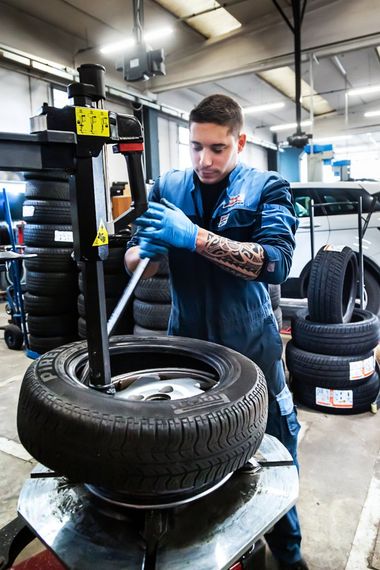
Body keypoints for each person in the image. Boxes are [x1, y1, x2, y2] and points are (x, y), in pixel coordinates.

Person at [125, 94, 308, 570]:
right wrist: (141, 253)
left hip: (251, 349)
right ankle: (214, 549)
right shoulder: (168, 186)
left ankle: (288, 555)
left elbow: (275, 263)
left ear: (240, 142)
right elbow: (135, 265)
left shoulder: (268, 187)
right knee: (190, 453)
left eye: (217, 148)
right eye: (195, 147)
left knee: (274, 453)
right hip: (186, 345)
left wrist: (196, 238)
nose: (204, 160)